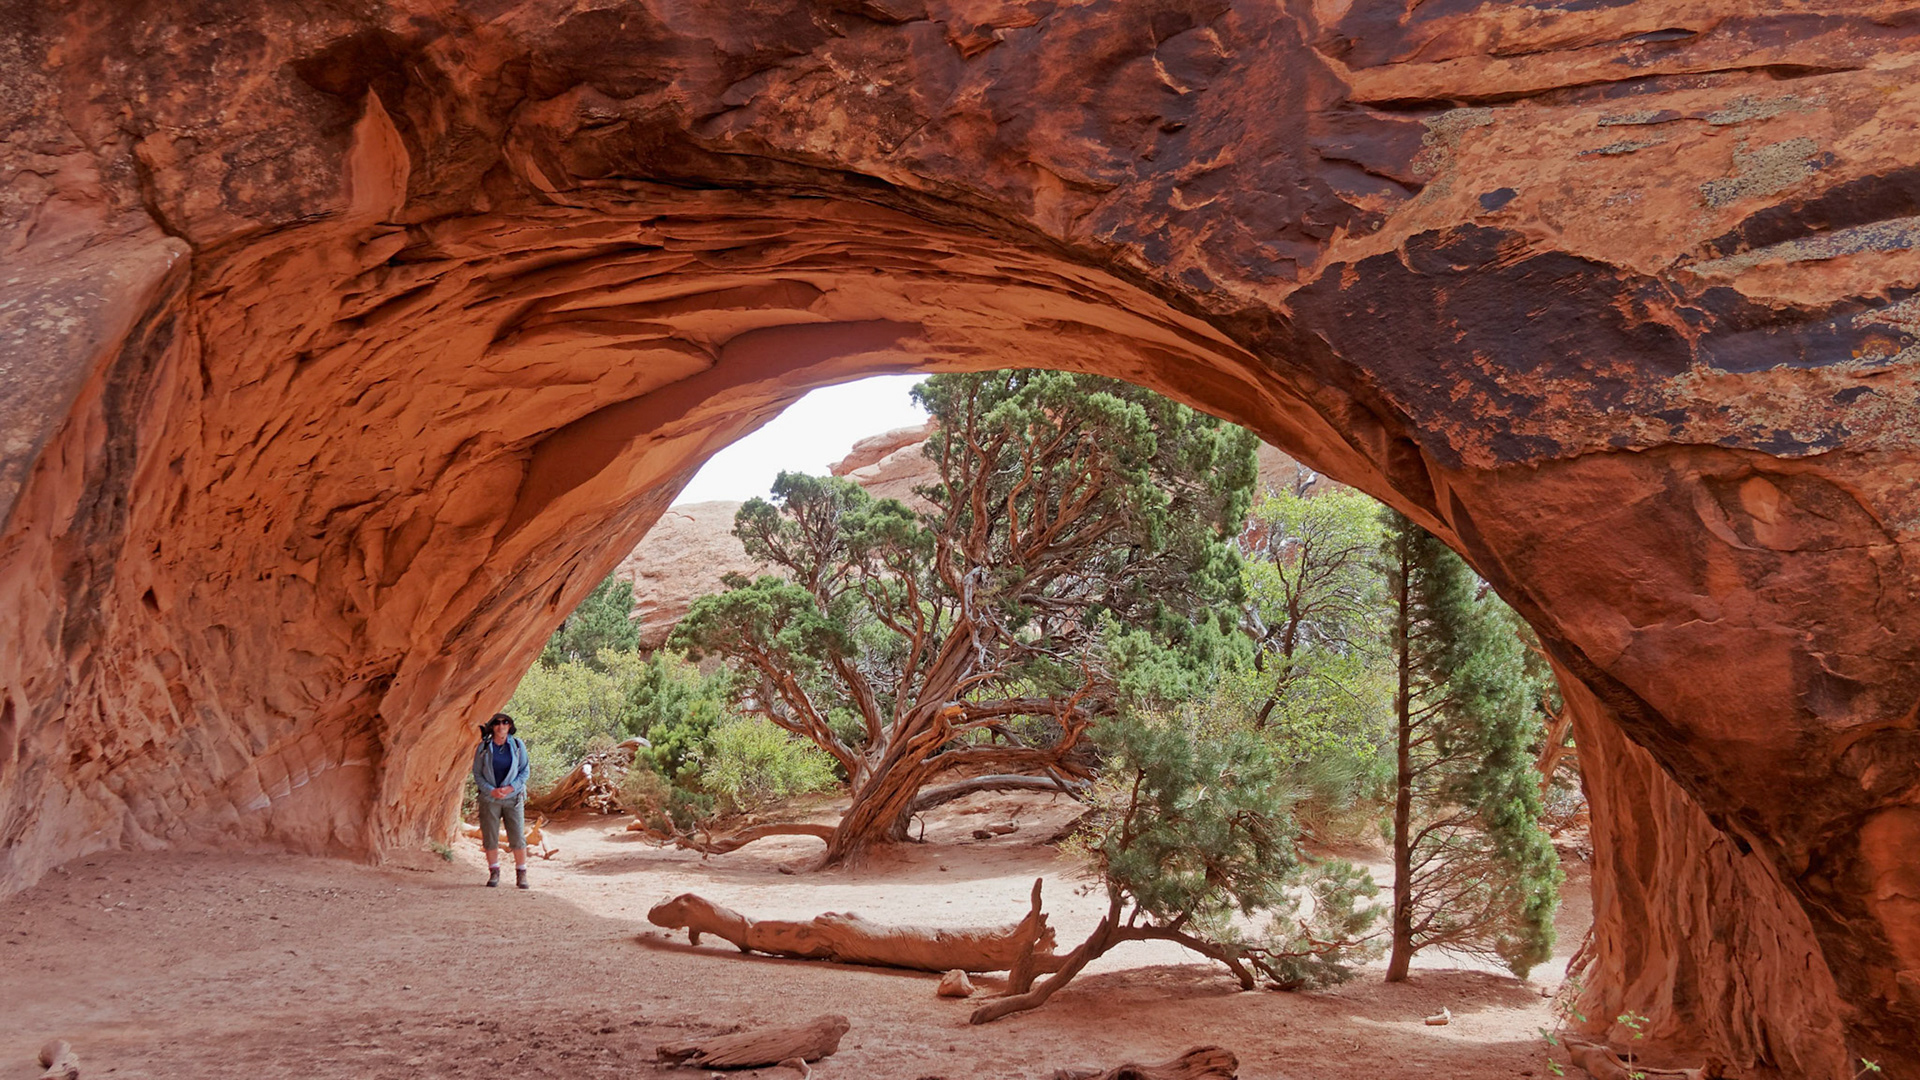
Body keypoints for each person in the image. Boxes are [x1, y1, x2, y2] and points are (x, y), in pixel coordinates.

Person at [471, 713, 532, 888]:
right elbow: (478, 773)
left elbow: (524, 771)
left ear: (510, 726)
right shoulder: (484, 747)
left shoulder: (518, 746)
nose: (501, 725)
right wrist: (491, 790)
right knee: (490, 836)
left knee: (517, 837)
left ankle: (521, 874)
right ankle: (494, 872)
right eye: (497, 723)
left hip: (513, 799)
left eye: (505, 722)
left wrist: (511, 788)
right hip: (490, 799)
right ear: (492, 727)